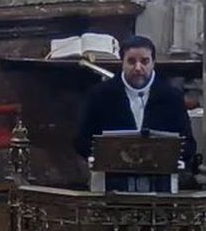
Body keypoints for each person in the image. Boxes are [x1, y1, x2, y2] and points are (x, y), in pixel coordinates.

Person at [74, 34, 197, 167]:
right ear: (122, 62)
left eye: (144, 61)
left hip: (159, 173)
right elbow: (82, 140)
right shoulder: (99, 95)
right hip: (112, 173)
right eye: (131, 61)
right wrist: (95, 157)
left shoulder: (171, 96)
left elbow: (187, 143)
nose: (138, 68)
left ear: (153, 63)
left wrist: (177, 159)